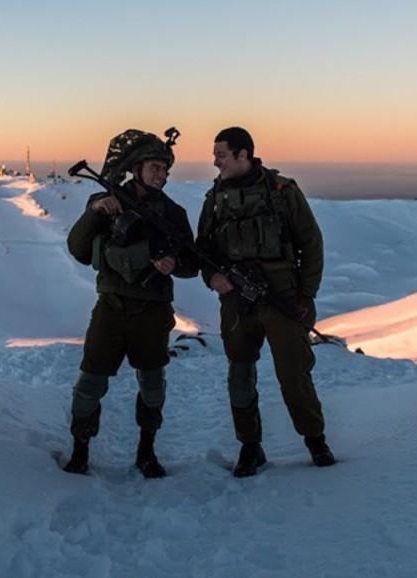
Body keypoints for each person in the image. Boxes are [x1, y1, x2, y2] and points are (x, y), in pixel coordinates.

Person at [196, 126, 336, 477]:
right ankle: (250, 446)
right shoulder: (215, 198)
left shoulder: (282, 191)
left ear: (244, 155)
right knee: (240, 372)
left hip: (283, 298)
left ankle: (315, 440)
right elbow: (203, 250)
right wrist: (213, 277)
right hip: (237, 303)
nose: (216, 163)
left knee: (294, 373)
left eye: (221, 155)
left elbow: (311, 244)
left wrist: (306, 296)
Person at [63, 129, 199, 478]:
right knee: (90, 383)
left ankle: (146, 451)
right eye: (155, 167)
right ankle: (80, 450)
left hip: (153, 312)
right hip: (111, 306)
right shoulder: (106, 201)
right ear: (136, 168)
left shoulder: (174, 213)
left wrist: (174, 265)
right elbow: (78, 250)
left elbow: (191, 264)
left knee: (153, 385)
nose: (161, 176)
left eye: (165, 171)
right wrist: (95, 212)